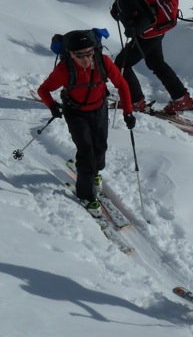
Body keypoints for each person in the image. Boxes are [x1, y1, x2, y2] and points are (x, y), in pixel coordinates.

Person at [37, 29, 136, 215]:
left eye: (89, 53)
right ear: (70, 54)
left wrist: (128, 112)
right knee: (86, 152)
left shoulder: (103, 62)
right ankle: (85, 194)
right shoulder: (64, 70)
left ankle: (95, 172)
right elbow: (43, 90)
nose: (85, 59)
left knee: (100, 147)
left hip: (99, 108)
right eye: (79, 55)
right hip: (75, 113)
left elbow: (122, 85)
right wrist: (52, 106)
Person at [99, 0, 193, 114]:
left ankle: (136, 101)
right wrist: (118, 11)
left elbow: (146, 17)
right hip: (155, 32)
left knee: (122, 64)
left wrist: (134, 29)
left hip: (147, 35)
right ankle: (181, 99)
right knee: (156, 64)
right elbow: (139, 6)